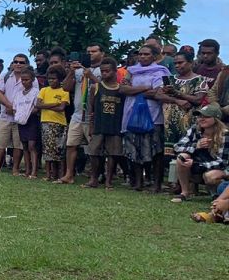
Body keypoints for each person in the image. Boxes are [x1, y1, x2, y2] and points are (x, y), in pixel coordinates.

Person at [120, 42, 170, 192]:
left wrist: (133, 90)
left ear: (154, 56)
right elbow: (122, 89)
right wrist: (145, 88)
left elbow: (158, 92)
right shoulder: (131, 71)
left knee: (156, 151)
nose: (142, 56)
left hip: (153, 115)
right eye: (140, 54)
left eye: (146, 54)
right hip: (132, 114)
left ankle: (156, 184)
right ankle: (138, 182)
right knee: (134, 149)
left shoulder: (161, 71)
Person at [159, 50, 210, 188]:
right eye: (175, 63)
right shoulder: (171, 79)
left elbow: (198, 99)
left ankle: (189, 186)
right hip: (170, 123)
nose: (177, 66)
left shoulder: (200, 80)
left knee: (189, 152)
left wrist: (176, 93)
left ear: (191, 63)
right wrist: (177, 101)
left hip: (190, 123)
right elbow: (159, 95)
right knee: (171, 155)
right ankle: (175, 184)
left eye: (180, 62)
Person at [62, 44, 104, 184]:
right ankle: (69, 175)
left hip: (93, 115)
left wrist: (91, 76)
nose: (90, 54)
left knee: (93, 149)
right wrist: (71, 72)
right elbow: (66, 88)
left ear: (102, 53)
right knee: (71, 144)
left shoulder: (103, 69)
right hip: (78, 114)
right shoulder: (79, 70)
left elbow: (105, 89)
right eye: (88, 52)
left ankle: (94, 177)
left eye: (94, 51)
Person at [172, 103, 228, 202]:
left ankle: (216, 195)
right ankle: (185, 192)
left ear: (216, 119)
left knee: (210, 176)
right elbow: (177, 147)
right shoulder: (195, 129)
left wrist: (196, 164)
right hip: (200, 165)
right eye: (199, 116)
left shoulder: (224, 134)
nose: (201, 119)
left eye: (206, 117)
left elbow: (223, 163)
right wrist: (196, 146)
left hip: (221, 169)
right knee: (182, 157)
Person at [84, 59, 126, 190]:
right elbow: (91, 108)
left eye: (107, 71)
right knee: (93, 152)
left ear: (115, 71)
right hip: (99, 125)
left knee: (113, 154)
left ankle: (109, 181)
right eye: (102, 71)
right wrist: (90, 125)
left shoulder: (121, 89)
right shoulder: (95, 87)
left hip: (115, 126)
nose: (104, 73)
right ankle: (94, 178)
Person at [0, 54, 30, 173]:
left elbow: (32, 95)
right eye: (16, 62)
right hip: (4, 115)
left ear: (27, 64)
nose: (18, 64)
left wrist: (16, 109)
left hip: (21, 117)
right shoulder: (5, 76)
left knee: (18, 145)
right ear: (12, 63)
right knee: (0, 143)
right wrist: (9, 106)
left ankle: (15, 168)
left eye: (21, 62)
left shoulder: (31, 78)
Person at [37, 66, 69, 182]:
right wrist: (54, 104)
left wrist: (47, 105)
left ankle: (59, 175)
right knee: (47, 150)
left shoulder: (64, 91)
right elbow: (38, 105)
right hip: (46, 122)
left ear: (60, 79)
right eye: (49, 79)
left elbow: (61, 108)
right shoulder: (44, 90)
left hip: (59, 123)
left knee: (59, 150)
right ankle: (48, 174)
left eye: (54, 79)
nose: (51, 81)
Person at [14, 68, 41, 177]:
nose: (24, 82)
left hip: (32, 121)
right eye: (23, 80)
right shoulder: (19, 93)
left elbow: (37, 107)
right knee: (24, 146)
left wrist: (27, 113)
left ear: (32, 80)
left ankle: (34, 171)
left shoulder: (36, 92)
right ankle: (27, 170)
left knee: (32, 146)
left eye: (27, 80)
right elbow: (15, 108)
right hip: (21, 122)